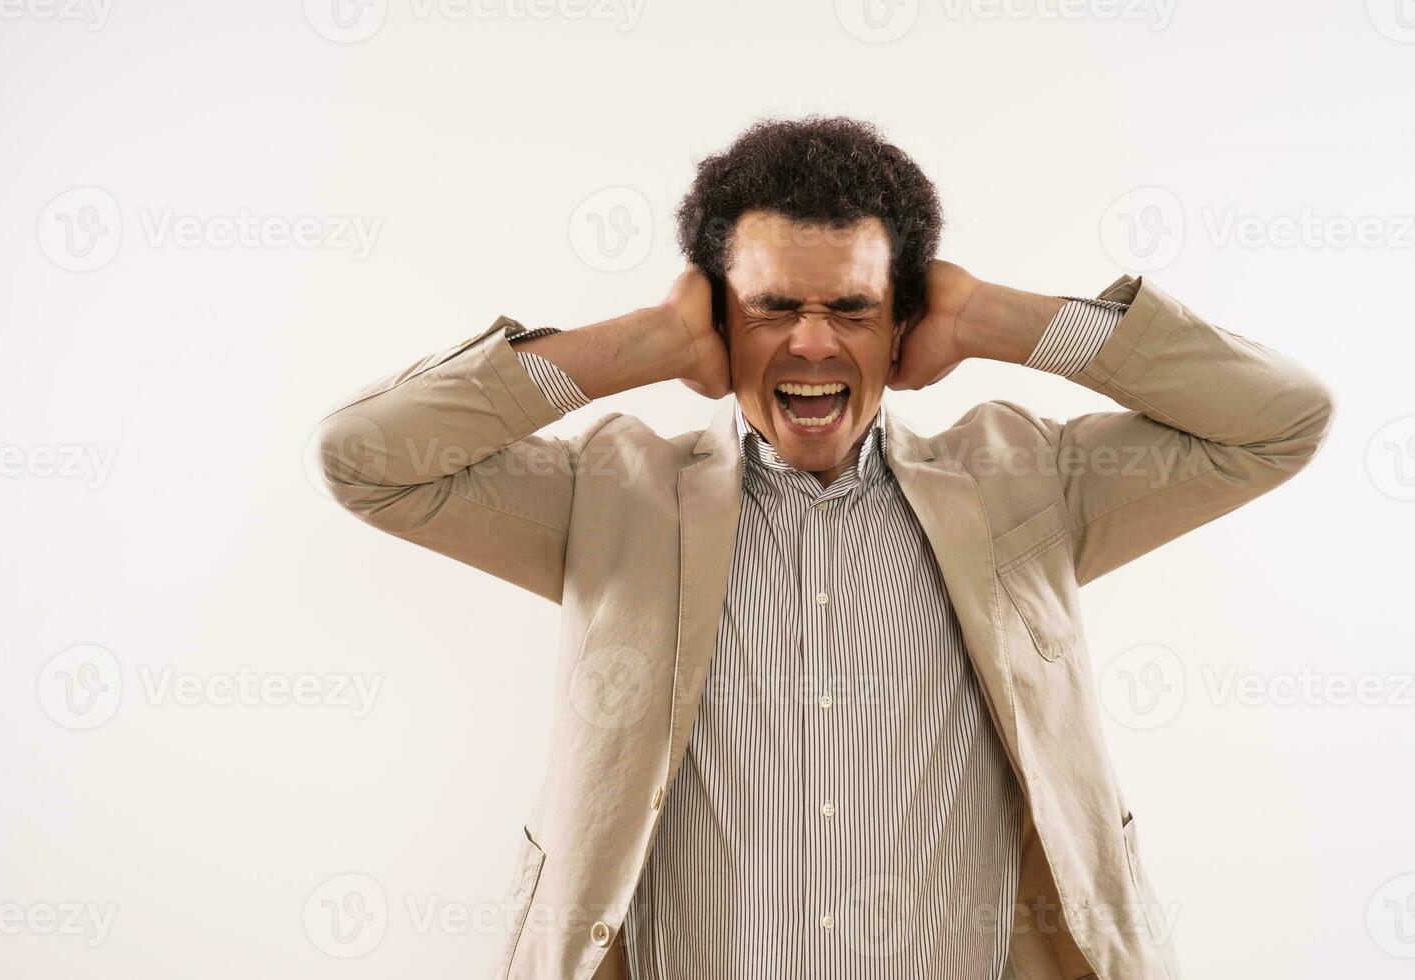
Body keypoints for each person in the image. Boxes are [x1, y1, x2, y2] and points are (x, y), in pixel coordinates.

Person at [314, 116, 1332, 980]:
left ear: (903, 324)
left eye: (851, 307)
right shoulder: (610, 493)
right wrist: (635, 346)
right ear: (717, 317)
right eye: (770, 309)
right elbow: (367, 458)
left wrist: (992, 318)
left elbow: (1278, 418)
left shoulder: (1026, 481)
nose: (810, 343)